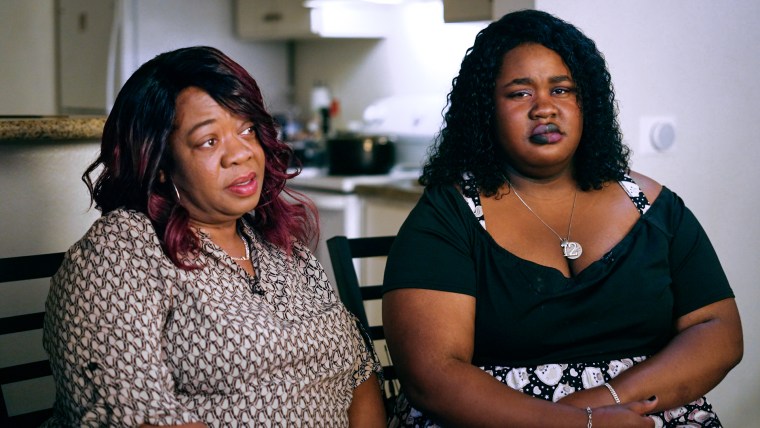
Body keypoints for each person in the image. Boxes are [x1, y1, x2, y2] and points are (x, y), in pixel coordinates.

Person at [382, 9, 743, 428]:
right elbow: (433, 375)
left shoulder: (655, 207)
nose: (544, 109)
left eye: (563, 90)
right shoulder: (447, 216)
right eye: (519, 93)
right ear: (485, 110)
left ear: (585, 102)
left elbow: (718, 330)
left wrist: (603, 401)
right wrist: (582, 424)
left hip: (641, 412)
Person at [43, 46, 386, 427]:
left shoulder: (281, 249)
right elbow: (135, 415)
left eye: (247, 130)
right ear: (159, 163)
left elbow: (359, 374)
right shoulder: (122, 250)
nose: (240, 153)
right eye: (209, 141)